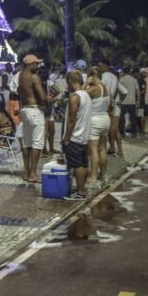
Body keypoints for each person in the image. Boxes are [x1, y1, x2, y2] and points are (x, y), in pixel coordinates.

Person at [61, 71, 92, 201]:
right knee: (83, 164)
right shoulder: (86, 95)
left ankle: (79, 192)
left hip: (75, 136)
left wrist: (66, 137)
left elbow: (71, 119)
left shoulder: (75, 97)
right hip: (84, 135)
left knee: (77, 165)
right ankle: (81, 189)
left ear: (71, 82)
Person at [18, 53, 47, 183]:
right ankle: (33, 173)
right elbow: (42, 96)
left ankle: (27, 172)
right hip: (34, 110)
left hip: (24, 110)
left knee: (27, 142)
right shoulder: (34, 77)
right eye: (36, 64)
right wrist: (47, 102)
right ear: (29, 64)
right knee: (37, 143)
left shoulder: (20, 76)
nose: (37, 66)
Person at [84, 67, 111, 186]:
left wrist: (85, 84)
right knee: (102, 148)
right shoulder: (106, 88)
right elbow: (111, 104)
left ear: (93, 76)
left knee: (93, 149)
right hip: (105, 118)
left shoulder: (94, 88)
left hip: (95, 119)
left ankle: (93, 176)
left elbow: (79, 96)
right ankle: (103, 174)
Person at [119, 68, 140, 138]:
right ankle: (134, 133)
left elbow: (119, 91)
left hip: (123, 102)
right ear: (130, 72)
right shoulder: (134, 80)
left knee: (122, 118)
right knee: (133, 118)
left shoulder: (121, 80)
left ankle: (122, 133)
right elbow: (137, 91)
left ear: (123, 72)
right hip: (132, 101)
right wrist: (138, 100)